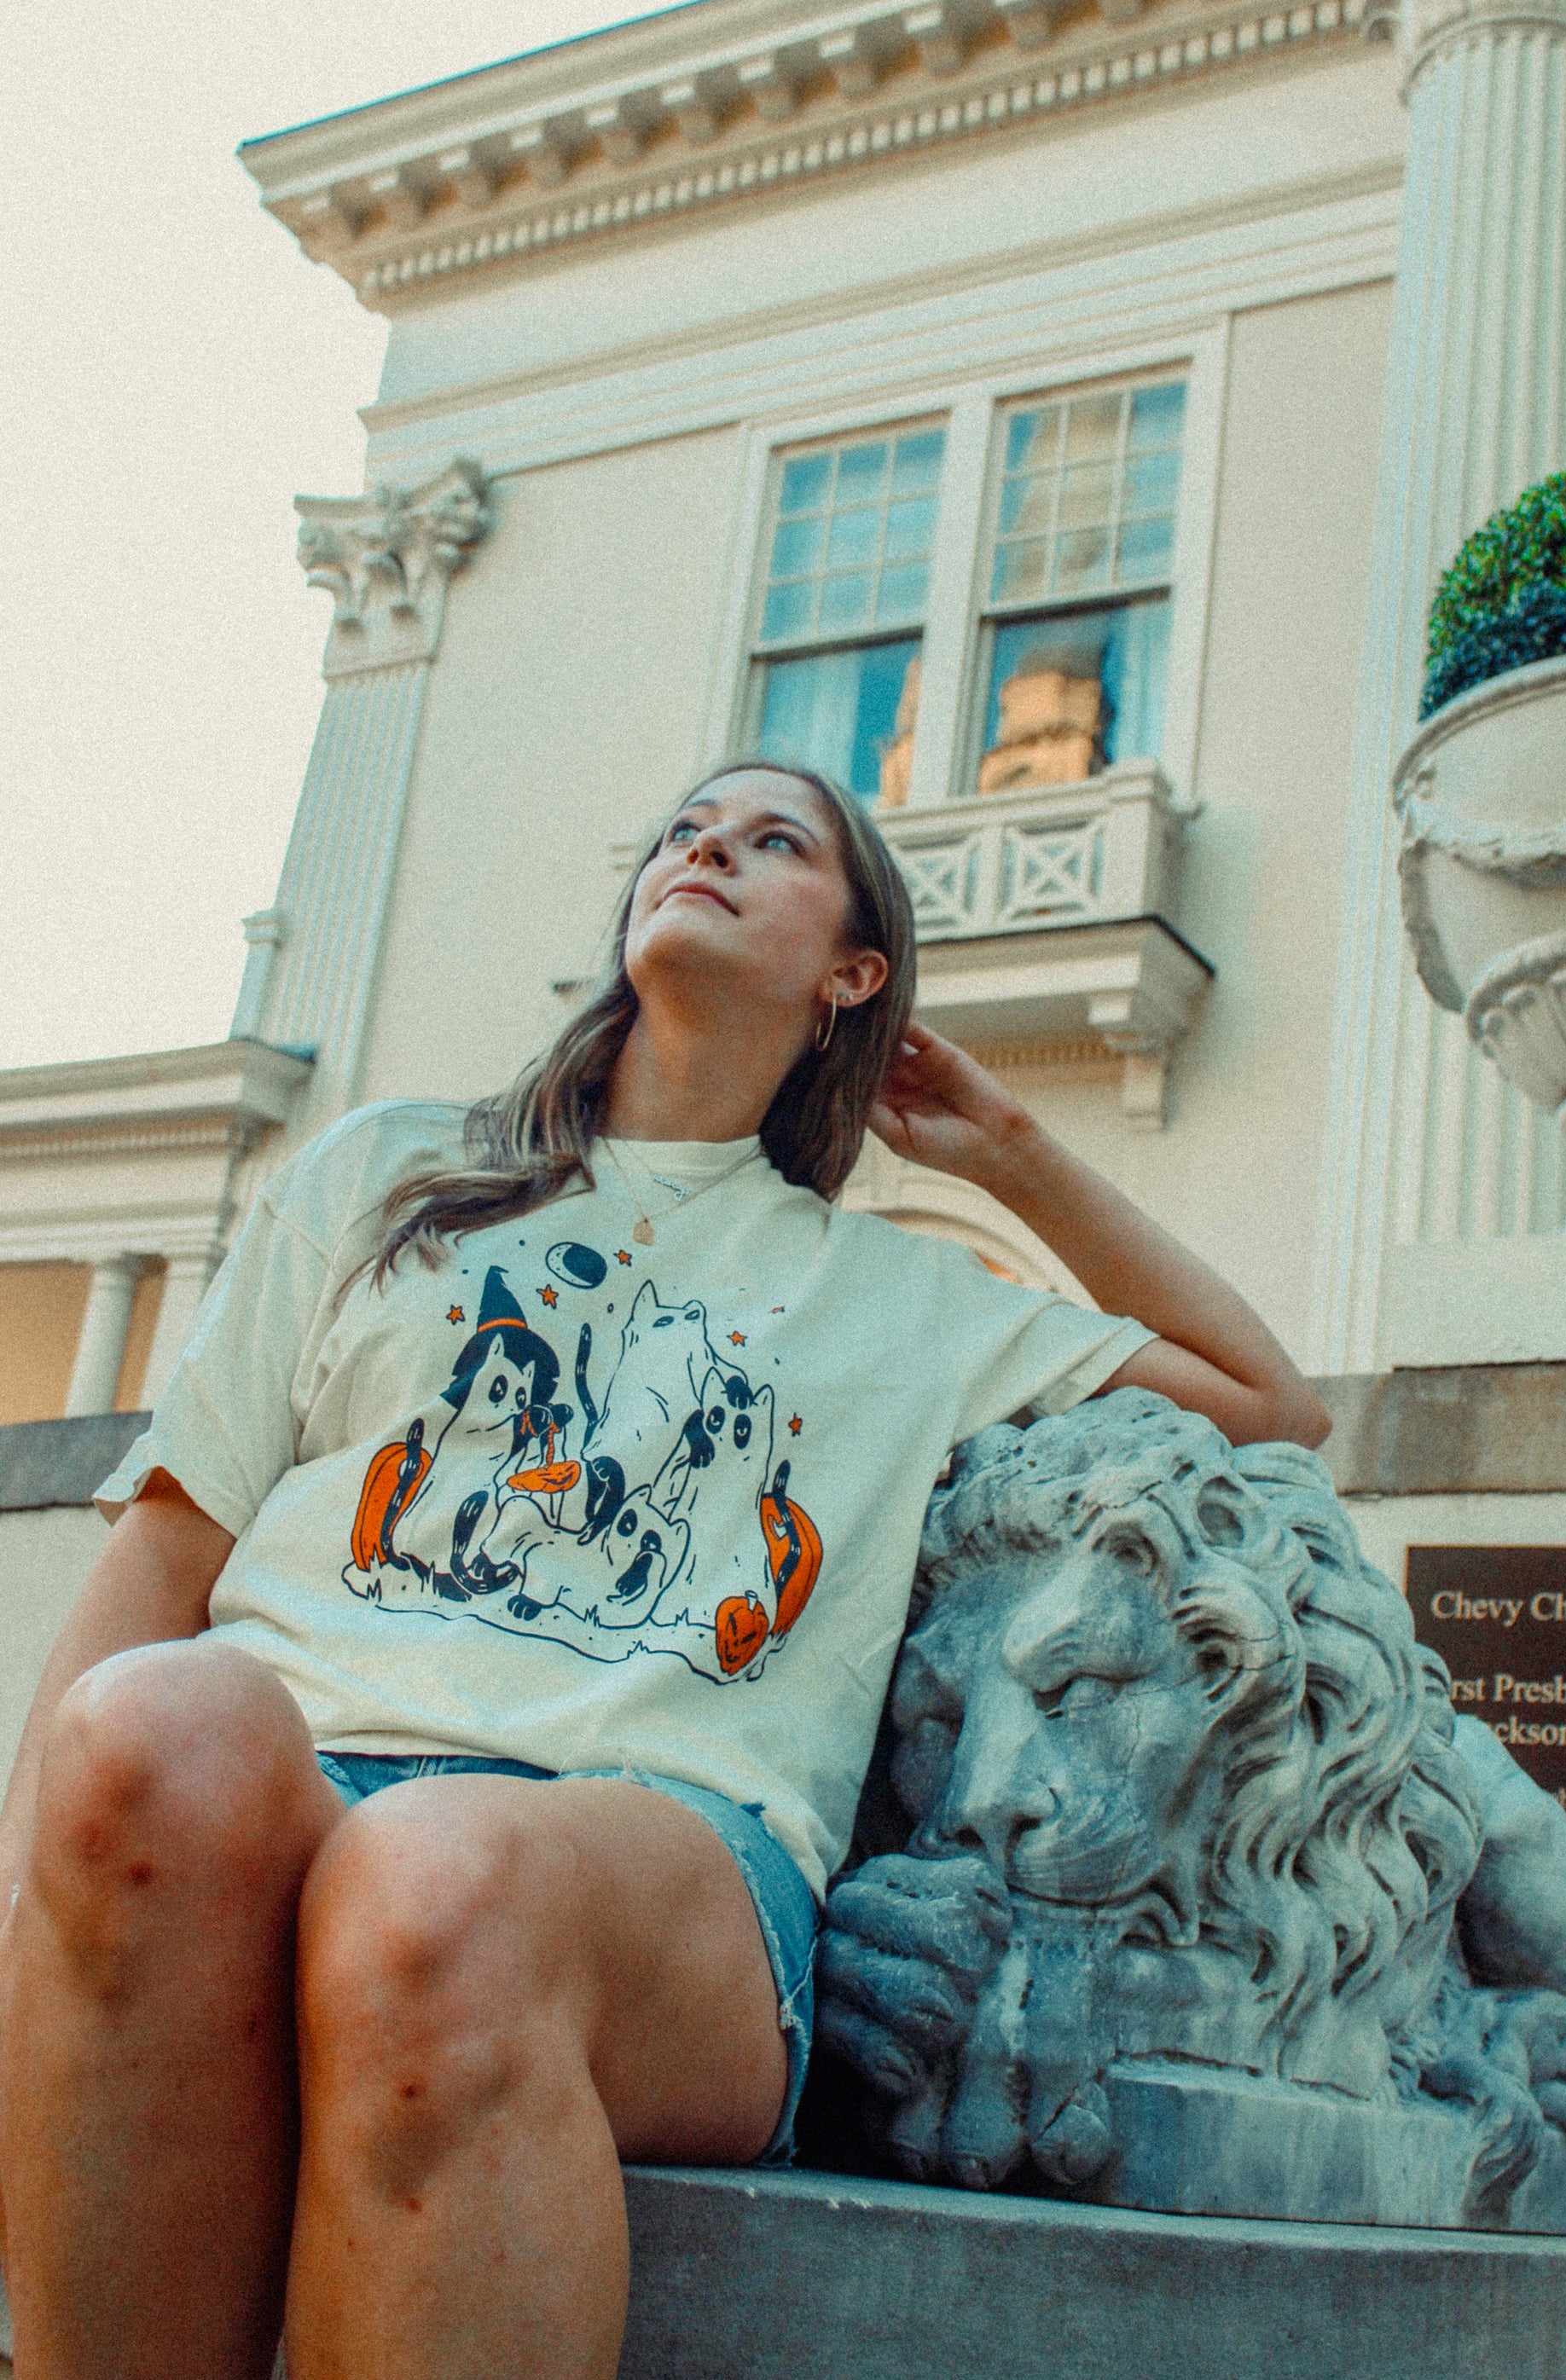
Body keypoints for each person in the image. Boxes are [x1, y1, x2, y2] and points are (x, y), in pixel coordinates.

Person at [0, 760, 1328, 2380]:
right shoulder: (382, 1175)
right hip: (292, 1783)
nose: (708, 849)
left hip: (659, 1852)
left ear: (854, 973)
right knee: (151, 1723)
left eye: (774, 842)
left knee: (433, 1875)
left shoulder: (908, 1297)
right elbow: (169, 1545)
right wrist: (28, 1900)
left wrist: (1011, 1151)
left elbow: (1270, 1403)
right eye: (687, 831)